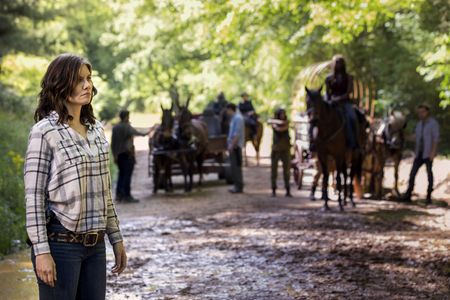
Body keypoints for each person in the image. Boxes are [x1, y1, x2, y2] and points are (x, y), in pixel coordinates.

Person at [24, 53, 127, 300]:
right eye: (78, 79)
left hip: (96, 247)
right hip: (60, 246)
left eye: (89, 78)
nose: (87, 85)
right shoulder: (44, 132)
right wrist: (41, 252)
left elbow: (105, 192)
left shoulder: (97, 130)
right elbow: (34, 198)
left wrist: (116, 238)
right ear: (60, 83)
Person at [403, 103, 440, 204]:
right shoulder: (419, 124)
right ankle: (408, 194)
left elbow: (435, 139)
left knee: (429, 174)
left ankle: (428, 196)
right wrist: (404, 136)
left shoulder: (433, 124)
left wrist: (433, 152)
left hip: (428, 153)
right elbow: (416, 137)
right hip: (419, 153)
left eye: (422, 112)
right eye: (419, 112)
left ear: (427, 112)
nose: (421, 114)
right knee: (412, 174)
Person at [111, 110, 148, 203]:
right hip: (127, 155)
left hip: (118, 155)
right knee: (127, 175)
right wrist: (149, 131)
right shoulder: (127, 127)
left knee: (121, 174)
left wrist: (114, 155)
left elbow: (113, 143)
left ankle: (119, 195)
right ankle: (126, 196)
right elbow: (139, 133)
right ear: (126, 117)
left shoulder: (115, 128)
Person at [325, 55, 358, 149]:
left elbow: (349, 92)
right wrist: (330, 100)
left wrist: (339, 98)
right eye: (337, 62)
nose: (338, 65)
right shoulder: (329, 78)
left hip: (345, 102)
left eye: (340, 62)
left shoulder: (349, 77)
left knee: (352, 117)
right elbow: (327, 92)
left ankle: (354, 142)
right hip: (332, 102)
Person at [269, 108, 292, 197]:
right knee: (274, 171)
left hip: (285, 149)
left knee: (286, 171)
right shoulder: (275, 123)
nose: (282, 116)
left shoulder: (285, 122)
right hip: (276, 150)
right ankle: (274, 189)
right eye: (281, 114)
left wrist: (279, 123)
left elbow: (283, 127)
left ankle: (287, 189)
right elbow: (277, 128)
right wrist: (278, 122)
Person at [226, 103, 245, 193]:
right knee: (234, 167)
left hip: (236, 147)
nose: (227, 112)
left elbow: (237, 134)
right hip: (234, 146)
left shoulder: (238, 118)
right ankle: (236, 185)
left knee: (236, 166)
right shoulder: (234, 118)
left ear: (231, 109)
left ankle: (239, 186)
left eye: (228, 110)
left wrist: (231, 145)